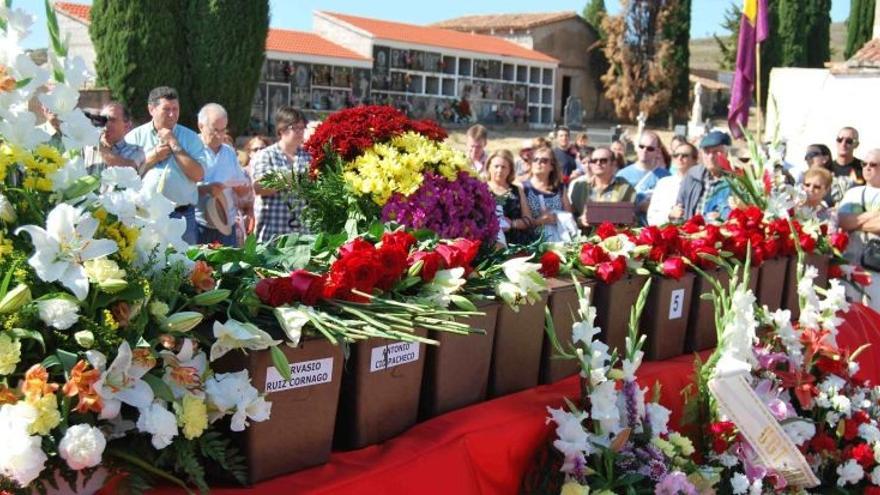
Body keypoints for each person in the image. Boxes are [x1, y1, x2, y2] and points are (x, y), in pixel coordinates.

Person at [125, 86, 207, 245]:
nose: (172, 114)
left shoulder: (191, 138)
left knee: (184, 267)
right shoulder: (134, 137)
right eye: (166, 109)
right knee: (147, 265)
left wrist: (175, 144)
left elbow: (198, 175)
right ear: (151, 109)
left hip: (182, 217)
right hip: (145, 216)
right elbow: (125, 176)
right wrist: (151, 158)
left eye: (175, 109)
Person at [252, 106, 311, 243]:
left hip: (302, 233)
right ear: (281, 129)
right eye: (295, 128)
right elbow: (260, 187)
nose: (300, 132)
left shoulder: (308, 156)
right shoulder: (266, 155)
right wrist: (294, 178)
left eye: (302, 128)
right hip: (272, 233)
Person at [195, 103, 249, 246]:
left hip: (226, 225)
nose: (219, 135)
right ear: (201, 126)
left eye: (223, 130)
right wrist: (207, 189)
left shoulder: (229, 152)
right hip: (199, 224)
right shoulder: (190, 149)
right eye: (214, 130)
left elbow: (240, 186)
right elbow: (182, 189)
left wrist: (242, 189)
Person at [837, 149, 880, 310]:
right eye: (864, 163)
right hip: (850, 265)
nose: (867, 167)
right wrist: (873, 216)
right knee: (847, 313)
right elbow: (843, 222)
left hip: (877, 269)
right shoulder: (852, 193)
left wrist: (856, 221)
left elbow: (851, 221)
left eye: (873, 164)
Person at [671, 130, 733, 222]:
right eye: (707, 152)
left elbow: (738, 214)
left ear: (727, 154)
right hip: (691, 232)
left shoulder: (735, 181)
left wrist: (722, 218)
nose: (711, 157)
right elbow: (679, 208)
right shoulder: (692, 175)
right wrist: (674, 215)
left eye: (716, 152)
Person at [570, 147, 635, 227]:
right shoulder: (579, 187)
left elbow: (633, 217)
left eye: (603, 160)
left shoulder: (625, 188)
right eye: (594, 161)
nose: (598, 163)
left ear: (613, 164)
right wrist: (581, 220)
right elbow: (571, 217)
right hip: (586, 237)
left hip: (615, 237)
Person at [615, 131, 670, 224]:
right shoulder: (622, 175)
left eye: (650, 148)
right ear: (636, 147)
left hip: (657, 231)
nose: (644, 150)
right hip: (629, 230)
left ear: (657, 152)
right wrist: (639, 207)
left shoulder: (666, 177)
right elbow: (615, 208)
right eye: (641, 146)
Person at [521, 144, 572, 239]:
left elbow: (569, 216)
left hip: (559, 239)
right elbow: (520, 219)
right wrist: (539, 221)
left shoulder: (560, 188)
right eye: (535, 160)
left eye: (544, 160)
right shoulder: (523, 188)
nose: (538, 163)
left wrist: (557, 217)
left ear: (552, 166)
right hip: (532, 241)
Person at [485, 150, 535, 246]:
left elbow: (529, 220)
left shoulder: (517, 190)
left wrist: (512, 224)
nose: (499, 170)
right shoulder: (480, 189)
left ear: (510, 170)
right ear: (489, 167)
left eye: (504, 167)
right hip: (488, 245)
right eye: (496, 166)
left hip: (516, 244)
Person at [82, 102, 145, 176]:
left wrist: (98, 146)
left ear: (127, 126)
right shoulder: (87, 148)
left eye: (112, 120)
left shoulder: (137, 151)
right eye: (103, 119)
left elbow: (129, 169)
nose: (106, 124)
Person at [647, 142, 698, 226]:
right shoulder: (663, 184)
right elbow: (651, 216)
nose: (679, 158)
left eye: (684, 155)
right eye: (676, 155)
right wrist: (669, 215)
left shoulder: (702, 185)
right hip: (667, 234)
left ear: (694, 160)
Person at [830, 127, 865, 205]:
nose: (843, 144)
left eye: (849, 141)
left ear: (856, 145)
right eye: (840, 140)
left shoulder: (865, 168)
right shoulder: (826, 168)